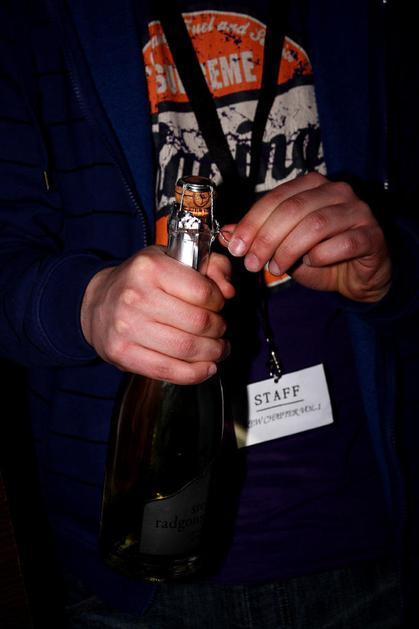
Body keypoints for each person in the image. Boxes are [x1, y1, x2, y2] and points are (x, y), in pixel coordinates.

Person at [0, 0, 418, 627]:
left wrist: (393, 272)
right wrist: (86, 301)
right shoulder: (28, 22)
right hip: (131, 574)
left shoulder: (372, 18)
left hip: (380, 544)